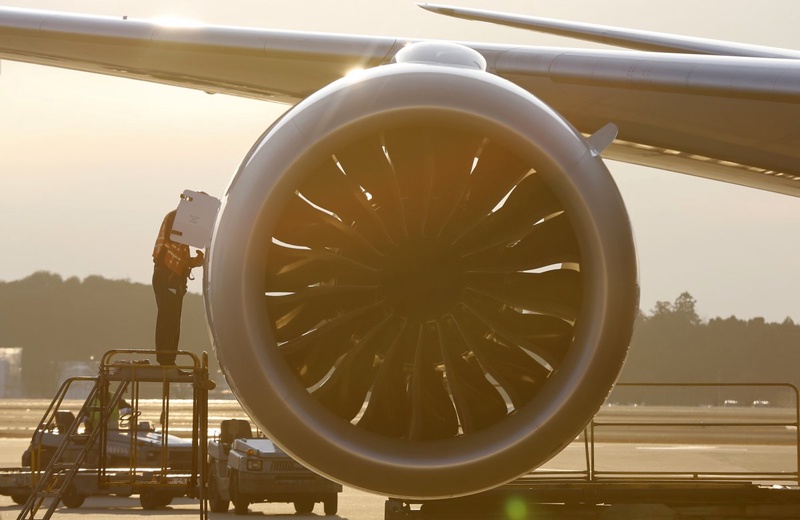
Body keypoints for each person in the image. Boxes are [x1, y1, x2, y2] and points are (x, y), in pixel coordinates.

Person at [152, 206, 205, 367]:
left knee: (173, 322)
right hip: (167, 277)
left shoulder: (180, 221)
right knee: (168, 320)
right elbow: (174, 246)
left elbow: (179, 255)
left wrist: (192, 262)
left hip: (172, 278)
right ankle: (165, 360)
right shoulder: (176, 219)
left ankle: (169, 359)